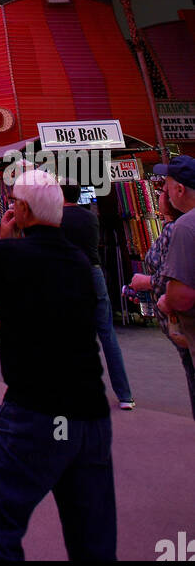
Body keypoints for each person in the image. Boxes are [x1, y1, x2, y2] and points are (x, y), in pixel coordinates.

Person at [0, 169, 115, 562]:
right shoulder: (81, 264)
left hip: (37, 411)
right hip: (91, 416)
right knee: (93, 539)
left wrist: (2, 241)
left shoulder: (9, 253)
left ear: (22, 210)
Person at [59, 182, 134, 408]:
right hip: (94, 271)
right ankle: (125, 395)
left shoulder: (56, 219)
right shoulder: (91, 217)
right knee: (107, 333)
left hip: (69, 273)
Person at [129, 175, 195, 420]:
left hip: (184, 321)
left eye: (163, 190)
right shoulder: (176, 227)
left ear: (178, 191)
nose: (159, 196)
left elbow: (172, 275)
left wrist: (152, 285)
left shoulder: (180, 229)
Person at [157, 156, 195, 392]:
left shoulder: (185, 227)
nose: (165, 193)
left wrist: (166, 301)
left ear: (179, 189)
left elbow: (182, 296)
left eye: (167, 187)